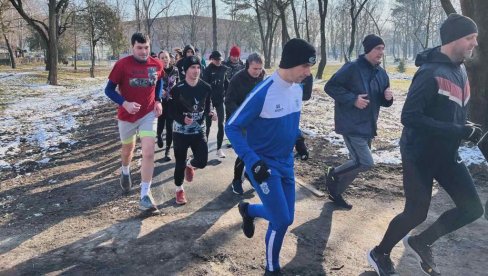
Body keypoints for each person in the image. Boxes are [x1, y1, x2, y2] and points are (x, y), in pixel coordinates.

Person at [368, 14, 484, 276]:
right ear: (454, 39)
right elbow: (409, 117)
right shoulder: (429, 72)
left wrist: (467, 128)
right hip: (418, 154)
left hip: (447, 154)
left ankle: (422, 241)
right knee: (416, 213)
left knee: (472, 209)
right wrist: (456, 129)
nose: (474, 44)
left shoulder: (461, 69)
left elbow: (451, 110)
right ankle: (380, 252)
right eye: (470, 38)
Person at [226, 38, 316, 275]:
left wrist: (299, 141)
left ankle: (249, 211)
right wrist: (251, 160)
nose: (308, 73)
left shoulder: (297, 89)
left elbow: (291, 121)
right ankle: (271, 268)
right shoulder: (262, 92)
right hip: (263, 166)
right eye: (305, 67)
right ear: (290, 63)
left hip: (286, 163)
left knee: (287, 216)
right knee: (281, 220)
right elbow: (232, 127)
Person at [323, 34, 393, 209]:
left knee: (357, 163)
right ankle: (333, 173)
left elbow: (383, 99)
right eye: (378, 48)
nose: (381, 52)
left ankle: (336, 192)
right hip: (351, 123)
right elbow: (330, 87)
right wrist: (353, 99)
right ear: (368, 49)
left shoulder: (382, 73)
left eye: (383, 48)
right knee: (365, 162)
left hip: (369, 125)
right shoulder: (352, 68)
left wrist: (388, 98)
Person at [104, 32, 163, 212]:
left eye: (146, 48)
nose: (144, 52)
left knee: (148, 151)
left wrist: (158, 100)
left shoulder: (157, 64)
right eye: (139, 48)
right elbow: (109, 90)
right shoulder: (122, 65)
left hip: (148, 115)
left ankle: (145, 194)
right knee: (128, 149)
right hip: (127, 116)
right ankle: (125, 170)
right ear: (132, 47)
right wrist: (125, 103)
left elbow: (159, 81)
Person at [168, 56, 217, 205]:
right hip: (180, 132)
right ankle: (179, 189)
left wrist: (212, 112)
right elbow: (170, 111)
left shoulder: (206, 87)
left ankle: (191, 164)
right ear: (185, 70)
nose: (196, 71)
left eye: (198, 68)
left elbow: (208, 105)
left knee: (202, 161)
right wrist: (182, 119)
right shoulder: (177, 89)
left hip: (198, 130)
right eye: (192, 68)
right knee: (179, 163)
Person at [224, 52, 265, 195]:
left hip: (256, 121)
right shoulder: (237, 79)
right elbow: (228, 101)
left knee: (256, 149)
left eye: (260, 69)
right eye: (255, 69)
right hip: (238, 122)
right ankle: (236, 180)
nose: (258, 72)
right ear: (248, 65)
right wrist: (241, 116)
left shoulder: (262, 75)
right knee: (244, 151)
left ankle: (249, 173)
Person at [202, 50, 229, 158]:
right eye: (216, 60)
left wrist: (230, 94)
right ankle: (204, 148)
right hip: (209, 101)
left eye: (220, 60)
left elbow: (226, 83)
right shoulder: (207, 71)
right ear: (211, 59)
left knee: (221, 124)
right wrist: (210, 107)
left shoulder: (223, 69)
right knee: (207, 126)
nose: (218, 61)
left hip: (220, 100)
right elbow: (205, 88)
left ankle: (219, 149)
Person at [156, 50, 179, 161]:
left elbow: (178, 85)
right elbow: (153, 86)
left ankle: (167, 150)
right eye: (162, 58)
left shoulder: (175, 70)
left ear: (169, 59)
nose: (165, 59)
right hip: (160, 102)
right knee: (161, 123)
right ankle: (159, 135)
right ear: (159, 59)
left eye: (166, 57)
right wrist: (161, 92)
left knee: (170, 127)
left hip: (171, 102)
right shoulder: (156, 70)